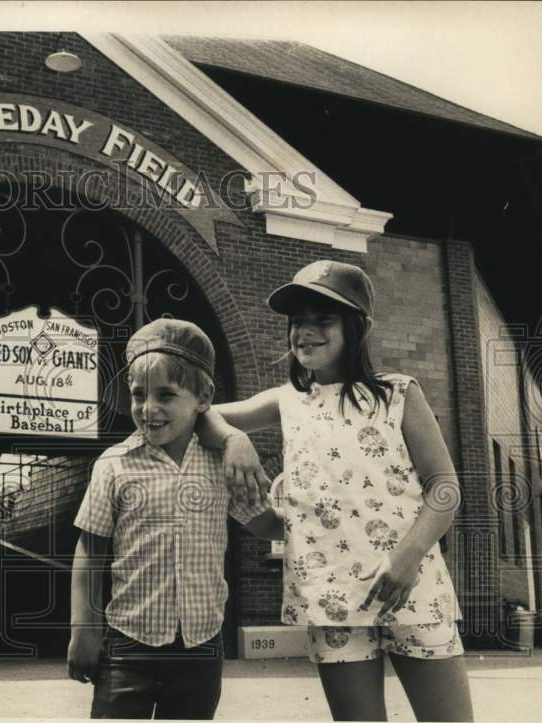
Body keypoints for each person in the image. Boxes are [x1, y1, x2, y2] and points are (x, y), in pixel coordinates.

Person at [201, 260, 474, 721]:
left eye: (322, 320)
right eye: (297, 322)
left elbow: (444, 486)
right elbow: (201, 414)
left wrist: (407, 559)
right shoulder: (286, 400)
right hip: (330, 600)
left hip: (412, 587)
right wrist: (235, 438)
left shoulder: (398, 394)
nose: (305, 332)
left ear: (357, 327)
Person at [67, 318, 274, 719]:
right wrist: (83, 631)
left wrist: (325, 522)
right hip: (127, 646)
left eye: (166, 394)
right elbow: (89, 551)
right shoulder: (113, 466)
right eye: (138, 394)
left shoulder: (220, 465)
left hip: (201, 647)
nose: (149, 409)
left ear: (204, 396)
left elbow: (264, 522)